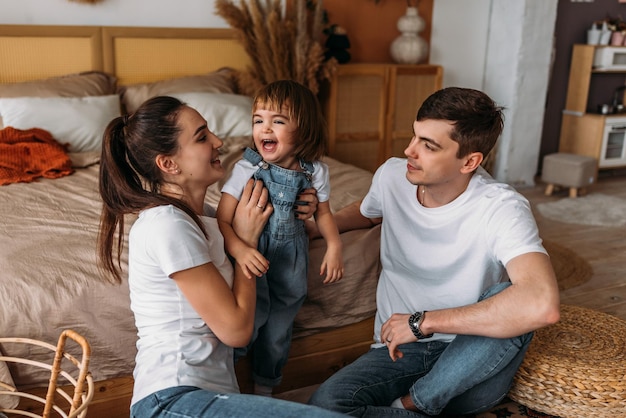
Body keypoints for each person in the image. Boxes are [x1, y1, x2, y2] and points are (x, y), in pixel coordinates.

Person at [307, 87, 561, 417]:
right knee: (324, 407)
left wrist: (423, 322)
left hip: (473, 357)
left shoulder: (501, 207)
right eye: (415, 136)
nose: (409, 151)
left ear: (470, 161)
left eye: (428, 146)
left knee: (514, 296)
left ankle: (415, 405)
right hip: (399, 352)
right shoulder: (392, 176)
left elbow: (543, 304)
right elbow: (370, 211)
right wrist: (321, 226)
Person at [96, 95, 345, 418]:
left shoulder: (208, 218)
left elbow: (276, 225)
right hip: (173, 399)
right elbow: (237, 331)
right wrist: (246, 243)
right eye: (201, 137)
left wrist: (303, 207)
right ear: (169, 164)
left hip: (213, 396)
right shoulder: (167, 224)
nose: (219, 141)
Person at [216, 80, 344, 397]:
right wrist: (240, 250)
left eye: (278, 120)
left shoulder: (316, 172)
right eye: (258, 120)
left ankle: (264, 387)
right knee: (251, 318)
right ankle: (225, 382)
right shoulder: (247, 167)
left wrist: (334, 246)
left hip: (292, 256)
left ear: (304, 129)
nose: (265, 129)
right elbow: (222, 218)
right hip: (253, 251)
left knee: (278, 327)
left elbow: (324, 214)